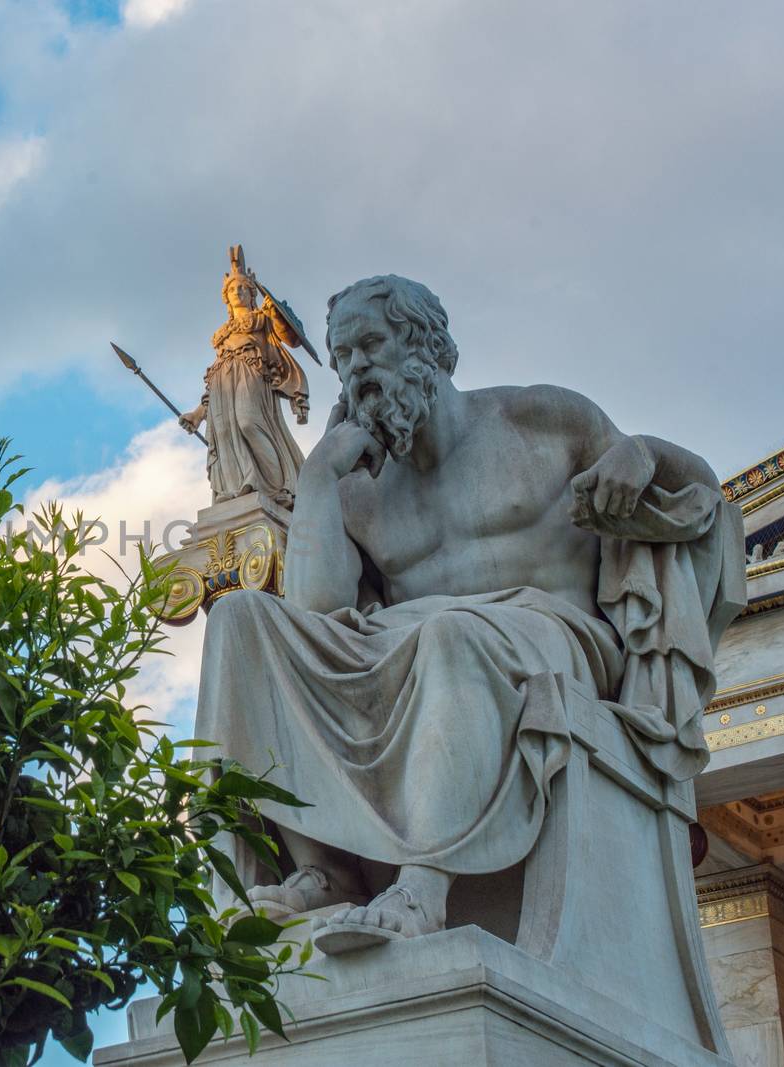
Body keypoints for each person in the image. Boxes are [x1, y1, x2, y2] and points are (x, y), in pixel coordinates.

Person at [195, 275, 741, 952]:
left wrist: (646, 453)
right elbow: (316, 617)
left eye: (372, 344)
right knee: (240, 622)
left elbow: (701, 495)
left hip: (555, 637)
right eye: (344, 358)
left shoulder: (542, 420)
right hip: (411, 642)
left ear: (424, 345)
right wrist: (318, 480)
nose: (358, 368)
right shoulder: (359, 485)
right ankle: (325, 868)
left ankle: (424, 887)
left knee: (448, 632)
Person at [179, 246, 311, 506]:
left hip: (251, 372)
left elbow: (292, 338)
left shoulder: (261, 319)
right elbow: (212, 381)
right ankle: (238, 487)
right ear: (226, 298)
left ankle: (278, 488)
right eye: (232, 290)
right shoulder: (222, 335)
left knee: (249, 422)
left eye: (242, 288)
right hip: (222, 382)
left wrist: (276, 310)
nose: (237, 292)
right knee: (226, 432)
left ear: (251, 293)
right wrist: (197, 414)